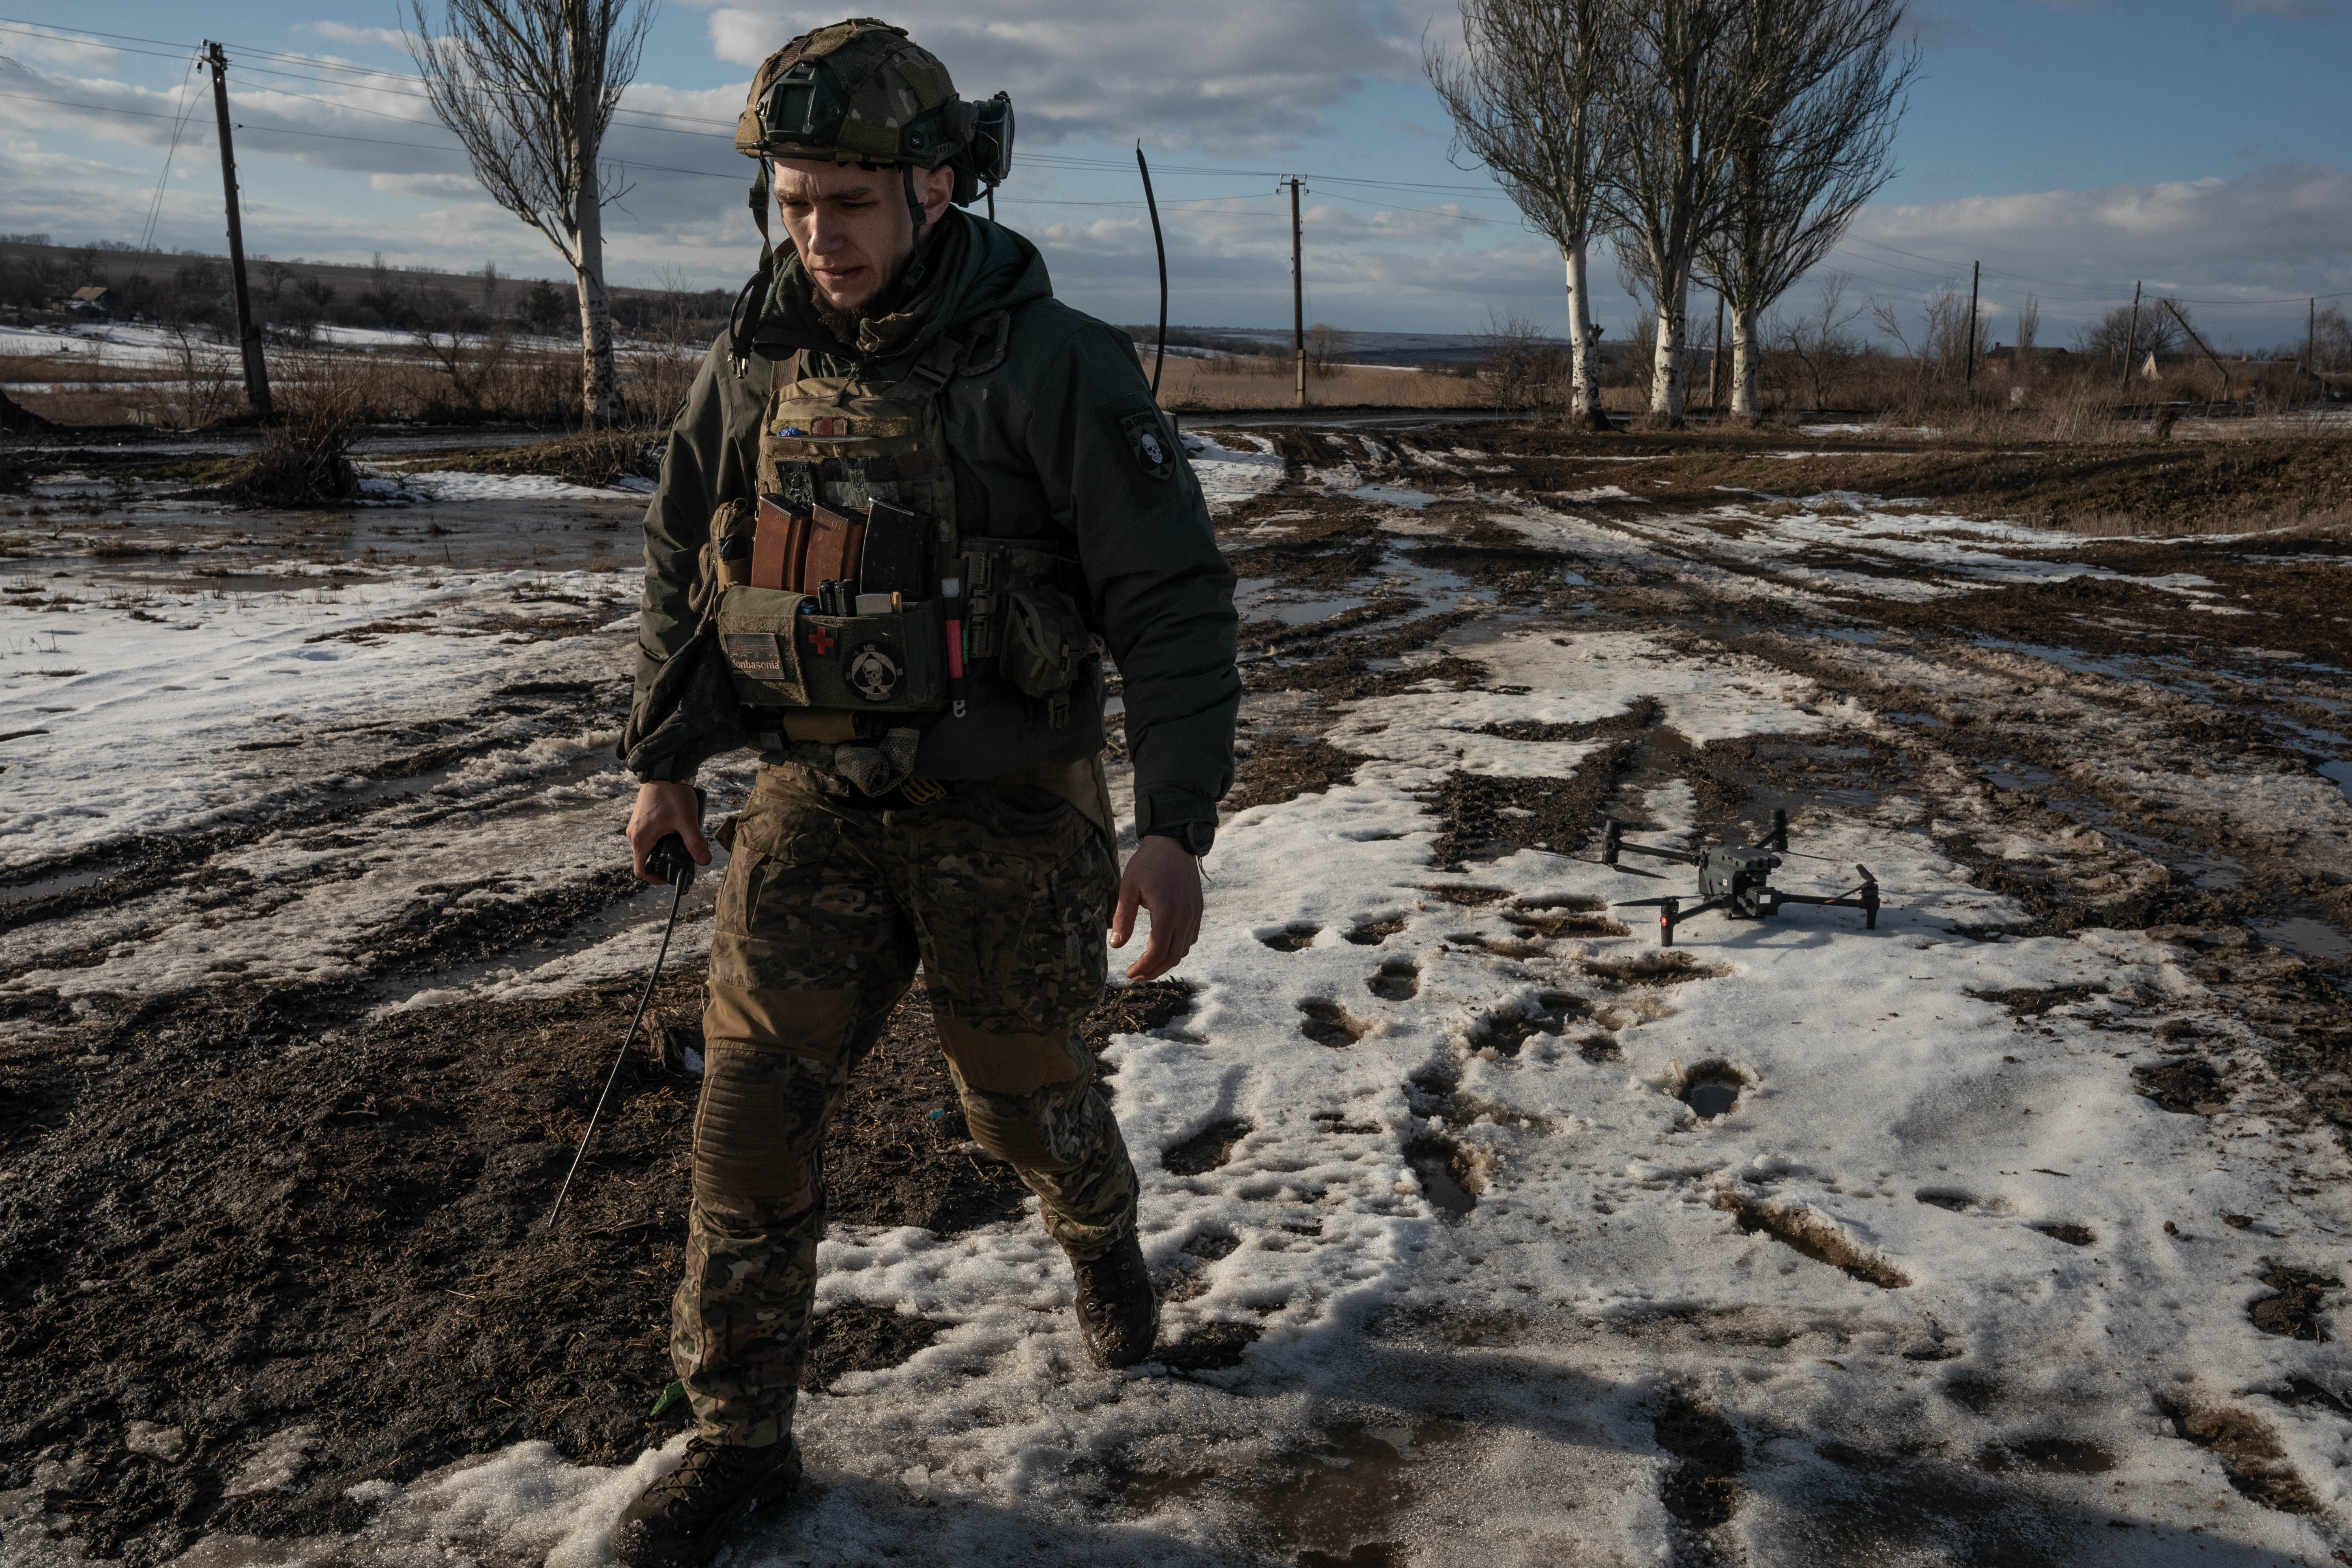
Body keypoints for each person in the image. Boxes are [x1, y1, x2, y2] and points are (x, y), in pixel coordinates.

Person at [605, 19, 1238, 1566]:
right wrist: (663, 759)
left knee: (1019, 1103)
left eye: (850, 203)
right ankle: (739, 1440)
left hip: (1009, 806)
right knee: (746, 1111)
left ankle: (1101, 1240)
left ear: (938, 186)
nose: (819, 236)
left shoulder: (1055, 364)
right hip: (814, 799)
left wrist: (1172, 824)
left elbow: (1170, 600)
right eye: (794, 203)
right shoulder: (756, 361)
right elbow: (684, 553)